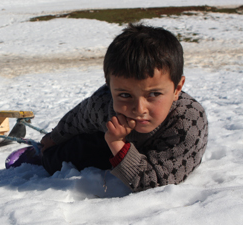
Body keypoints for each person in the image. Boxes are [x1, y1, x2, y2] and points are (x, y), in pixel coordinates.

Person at [40, 23, 208, 192]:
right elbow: (79, 117)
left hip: (158, 157)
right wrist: (54, 138)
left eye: (154, 94)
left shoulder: (187, 122)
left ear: (177, 89)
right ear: (109, 87)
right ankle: (39, 154)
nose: (139, 109)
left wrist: (116, 142)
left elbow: (153, 183)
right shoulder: (104, 102)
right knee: (62, 155)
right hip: (114, 144)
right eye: (125, 95)